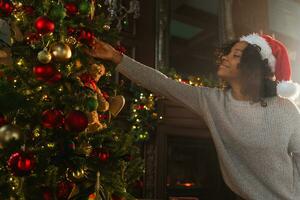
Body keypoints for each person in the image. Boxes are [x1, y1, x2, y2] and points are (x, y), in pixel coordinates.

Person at [85, 33, 300, 200]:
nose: (225, 57)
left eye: (236, 55)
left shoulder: (286, 110)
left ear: (253, 67)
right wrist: (116, 57)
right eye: (229, 52)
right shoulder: (213, 102)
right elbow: (163, 84)